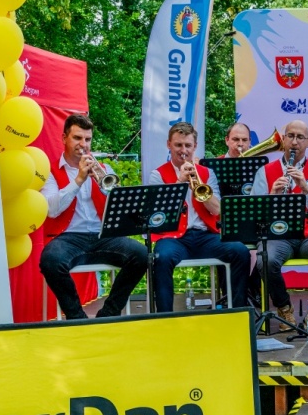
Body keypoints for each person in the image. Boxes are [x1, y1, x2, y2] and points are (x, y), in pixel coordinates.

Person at [38, 113, 149, 320]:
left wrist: (109, 190)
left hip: (102, 236)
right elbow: (52, 210)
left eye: (87, 139)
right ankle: (77, 317)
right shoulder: (50, 171)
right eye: (77, 138)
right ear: (64, 138)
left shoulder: (104, 169)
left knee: (142, 254)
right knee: (50, 260)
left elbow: (121, 209)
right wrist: (79, 180)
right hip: (68, 237)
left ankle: (108, 314)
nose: (83, 144)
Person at [148, 122, 251, 312]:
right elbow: (160, 214)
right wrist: (180, 182)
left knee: (240, 251)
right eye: (178, 145)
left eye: (188, 145)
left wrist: (201, 186)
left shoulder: (206, 173)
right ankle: (164, 318)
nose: (183, 150)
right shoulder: (157, 175)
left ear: (195, 146)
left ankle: (238, 312)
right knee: (161, 258)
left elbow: (217, 210)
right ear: (169, 144)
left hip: (205, 236)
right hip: (174, 238)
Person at [250, 120, 308, 330]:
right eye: (290, 136)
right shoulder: (265, 171)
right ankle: (284, 307)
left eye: (300, 137)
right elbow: (254, 218)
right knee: (266, 258)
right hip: (278, 237)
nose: (294, 142)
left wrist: (306, 190)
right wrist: (272, 195)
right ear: (283, 139)